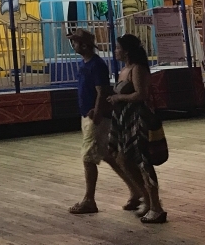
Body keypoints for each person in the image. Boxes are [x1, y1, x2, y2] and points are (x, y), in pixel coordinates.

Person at [67, 29, 145, 215]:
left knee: (88, 157)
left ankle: (89, 199)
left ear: (84, 45)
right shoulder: (86, 64)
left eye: (75, 42)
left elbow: (101, 91)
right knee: (108, 155)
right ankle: (136, 190)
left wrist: (98, 111)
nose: (74, 46)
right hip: (88, 113)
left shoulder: (96, 65)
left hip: (96, 116)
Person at [107, 33, 167, 224]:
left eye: (117, 48)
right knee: (122, 158)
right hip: (124, 119)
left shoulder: (138, 69)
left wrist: (119, 98)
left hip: (138, 119)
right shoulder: (124, 69)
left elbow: (141, 94)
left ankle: (156, 205)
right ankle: (146, 199)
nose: (115, 51)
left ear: (126, 51)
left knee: (143, 162)